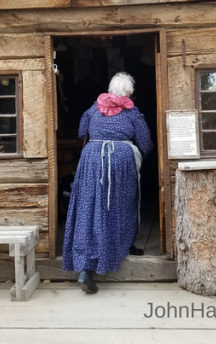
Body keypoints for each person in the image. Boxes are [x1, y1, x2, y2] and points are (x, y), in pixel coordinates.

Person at [62, 72, 154, 293]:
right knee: (121, 206)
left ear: (110, 90)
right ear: (129, 92)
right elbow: (146, 142)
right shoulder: (132, 112)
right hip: (120, 162)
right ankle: (122, 248)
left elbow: (82, 131)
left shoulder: (94, 108)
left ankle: (86, 269)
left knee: (89, 209)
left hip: (91, 160)